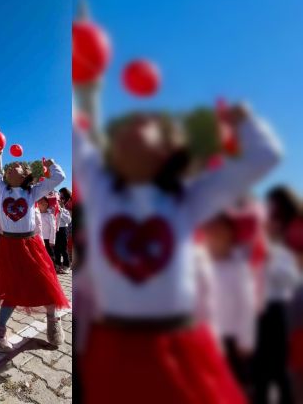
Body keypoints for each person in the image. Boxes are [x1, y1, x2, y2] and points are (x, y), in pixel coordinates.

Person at [74, 77, 281, 403]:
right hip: (112, 348)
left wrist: (245, 121)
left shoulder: (189, 197)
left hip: (180, 348)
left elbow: (264, 157)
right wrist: (86, 83)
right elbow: (77, 133)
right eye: (125, 127)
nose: (128, 129)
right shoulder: (98, 187)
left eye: (143, 124)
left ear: (167, 150)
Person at [0, 135, 69, 352]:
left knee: (46, 282)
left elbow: (59, 177)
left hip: (32, 244)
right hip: (9, 246)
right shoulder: (1, 188)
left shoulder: (33, 191)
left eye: (18, 167)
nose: (12, 168)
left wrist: (51, 165)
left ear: (25, 176)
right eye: (9, 167)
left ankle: (53, 323)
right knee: (11, 289)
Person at [252, 186, 301, 404]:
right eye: (268, 212)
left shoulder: (292, 240)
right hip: (262, 312)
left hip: (283, 310)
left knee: (283, 374)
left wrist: (270, 257)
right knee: (261, 375)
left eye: (274, 213)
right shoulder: (263, 242)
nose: (270, 219)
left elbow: (293, 278)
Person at [202, 213, 257, 393]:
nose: (215, 232)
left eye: (221, 227)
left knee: (235, 388)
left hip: (232, 340)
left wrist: (245, 339)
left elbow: (247, 304)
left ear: (232, 234)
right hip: (205, 339)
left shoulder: (238, 266)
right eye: (211, 227)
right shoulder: (198, 262)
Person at [55, 188, 72, 273]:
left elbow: (68, 221)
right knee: (56, 249)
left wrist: (61, 211)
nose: (59, 202)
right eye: (58, 201)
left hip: (63, 230)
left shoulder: (65, 211)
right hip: (56, 230)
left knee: (64, 249)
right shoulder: (54, 210)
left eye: (61, 200)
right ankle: (57, 265)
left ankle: (67, 265)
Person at [38, 197, 57, 267]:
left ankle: (52, 268)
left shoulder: (50, 215)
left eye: (42, 202)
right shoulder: (36, 214)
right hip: (39, 238)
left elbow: (53, 228)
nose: (41, 203)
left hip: (48, 239)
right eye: (39, 202)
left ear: (46, 204)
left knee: (50, 255)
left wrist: (52, 240)